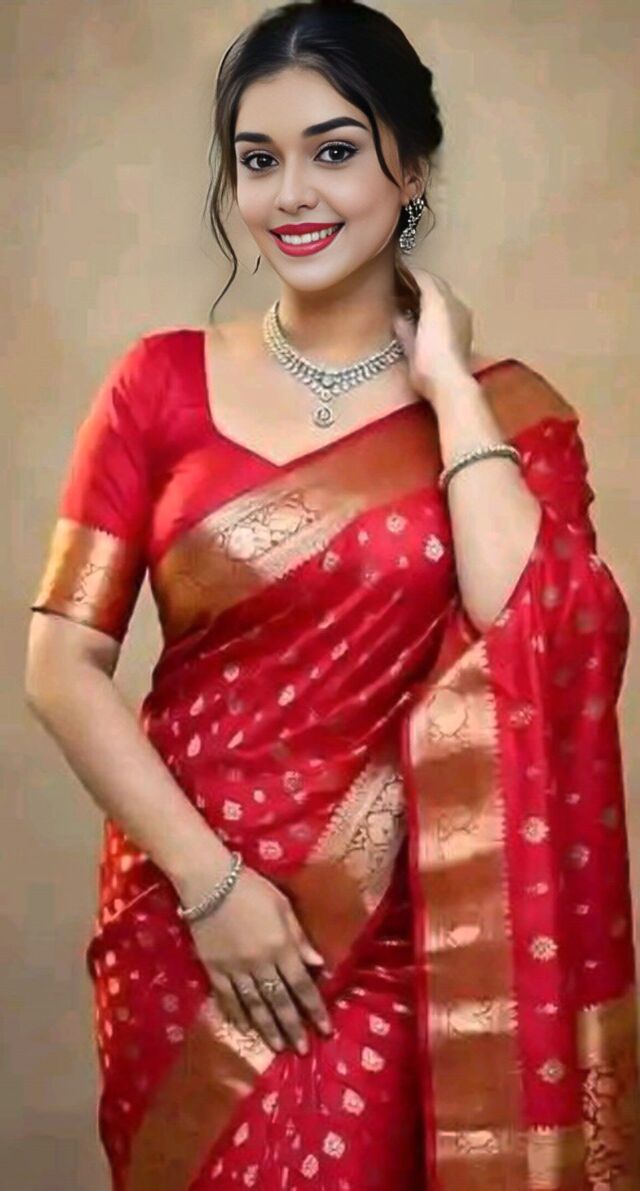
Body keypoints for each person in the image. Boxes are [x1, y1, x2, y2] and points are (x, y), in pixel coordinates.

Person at [25, 1, 640, 1188]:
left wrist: (447, 384)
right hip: (188, 924)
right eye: (258, 161)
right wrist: (212, 889)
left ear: (412, 168)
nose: (292, 194)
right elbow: (59, 664)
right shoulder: (158, 384)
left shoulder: (512, 417)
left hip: (412, 941)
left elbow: (537, 634)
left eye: (335, 150)